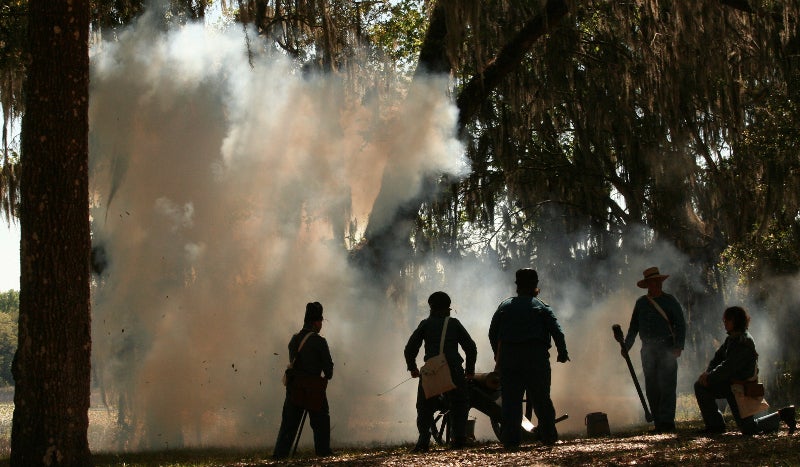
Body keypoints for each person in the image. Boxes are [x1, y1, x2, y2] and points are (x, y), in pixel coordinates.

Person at [489, 268, 569, 448]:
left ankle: (510, 441)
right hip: (536, 360)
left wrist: (498, 355)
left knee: (511, 401)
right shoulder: (541, 306)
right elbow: (557, 331)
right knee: (542, 399)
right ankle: (548, 437)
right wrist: (562, 352)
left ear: (517, 286)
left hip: (510, 361)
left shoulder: (504, 306)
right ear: (535, 285)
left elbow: (492, 333)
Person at [694, 305, 796, 435]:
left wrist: (709, 377)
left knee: (749, 429)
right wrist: (707, 374)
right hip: (731, 385)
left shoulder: (743, 341)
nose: (724, 323)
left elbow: (728, 367)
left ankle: (783, 415)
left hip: (740, 388)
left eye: (727, 320)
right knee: (700, 386)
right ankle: (715, 426)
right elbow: (718, 358)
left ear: (735, 321)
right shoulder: (732, 338)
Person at [404, 291, 478, 452]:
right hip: (454, 371)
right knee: (459, 403)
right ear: (447, 308)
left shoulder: (425, 324)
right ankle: (458, 439)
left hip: (431, 371)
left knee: (424, 406)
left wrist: (413, 368)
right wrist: (470, 371)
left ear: (431, 308)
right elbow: (470, 347)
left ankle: (423, 441)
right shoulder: (454, 324)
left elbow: (410, 348)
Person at [622, 266, 686, 433]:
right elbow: (633, 327)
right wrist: (626, 346)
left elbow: (680, 324)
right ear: (648, 284)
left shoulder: (670, 301)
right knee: (652, 386)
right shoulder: (641, 303)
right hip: (648, 349)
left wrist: (678, 346)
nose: (656, 284)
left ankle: (667, 422)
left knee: (667, 386)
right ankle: (658, 422)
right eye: (652, 282)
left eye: (657, 281)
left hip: (667, 347)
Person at [272, 302, 334, 459]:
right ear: (316, 322)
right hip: (313, 390)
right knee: (321, 421)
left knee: (288, 425)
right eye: (320, 321)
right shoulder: (320, 342)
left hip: (295, 389)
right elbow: (329, 371)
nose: (321, 325)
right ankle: (323, 453)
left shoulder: (294, 340)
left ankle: (280, 455)